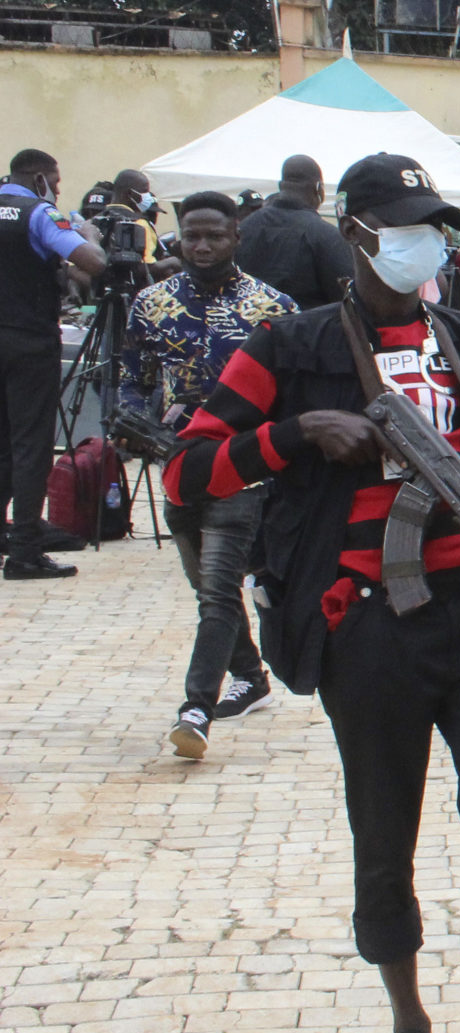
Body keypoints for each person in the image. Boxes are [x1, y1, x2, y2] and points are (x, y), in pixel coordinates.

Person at [165, 152, 460, 1033]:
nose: (428, 244)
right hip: (367, 625)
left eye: (438, 227)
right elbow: (188, 472)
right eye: (408, 225)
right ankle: (408, 1022)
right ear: (359, 232)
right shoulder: (289, 347)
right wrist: (298, 435)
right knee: (385, 837)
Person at [116, 191, 296, 754]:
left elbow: (293, 394)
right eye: (191, 235)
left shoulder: (273, 308)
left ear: (236, 237)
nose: (200, 245)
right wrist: (138, 427)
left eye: (213, 235)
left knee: (217, 592)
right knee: (206, 587)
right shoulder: (152, 304)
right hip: (178, 468)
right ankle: (252, 678)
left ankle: (196, 708)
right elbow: (132, 379)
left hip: (242, 469)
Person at [1, 150, 107, 579]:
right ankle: (25, 549)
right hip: (27, 340)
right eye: (57, 181)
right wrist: (89, 234)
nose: (59, 189)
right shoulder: (38, 212)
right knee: (30, 445)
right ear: (40, 177)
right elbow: (93, 263)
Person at [234, 154, 355, 309]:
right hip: (307, 329)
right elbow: (346, 299)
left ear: (281, 185)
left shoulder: (242, 229)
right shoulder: (326, 235)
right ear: (318, 188)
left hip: (247, 325)